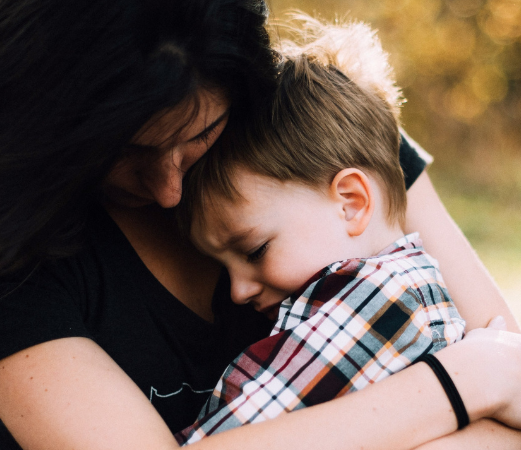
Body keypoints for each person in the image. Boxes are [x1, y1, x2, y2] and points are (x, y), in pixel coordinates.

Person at [0, 1, 520, 449]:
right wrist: (461, 384)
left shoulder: (319, 138)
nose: (168, 191)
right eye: (120, 153)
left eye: (199, 137)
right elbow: (500, 376)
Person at [176, 21, 467, 443]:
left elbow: (232, 434)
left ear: (351, 203)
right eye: (224, 267)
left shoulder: (376, 302)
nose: (237, 291)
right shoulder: (413, 289)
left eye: (255, 250)